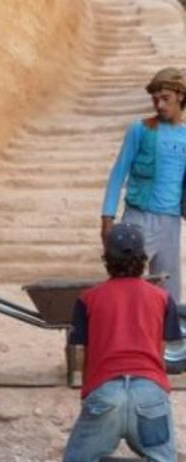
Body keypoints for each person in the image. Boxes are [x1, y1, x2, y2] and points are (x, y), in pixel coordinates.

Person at [41, 223, 181, 462]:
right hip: (150, 395)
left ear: (108, 260)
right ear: (141, 260)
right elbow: (168, 340)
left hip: (105, 395)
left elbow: (81, 348)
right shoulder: (160, 298)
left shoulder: (89, 299)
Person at [101, 66, 186, 302]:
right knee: (125, 282)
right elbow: (118, 173)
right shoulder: (140, 129)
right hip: (138, 218)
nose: (159, 105)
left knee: (169, 291)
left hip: (170, 222)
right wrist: (107, 218)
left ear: (180, 96)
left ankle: (169, 339)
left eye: (165, 99)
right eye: (155, 99)